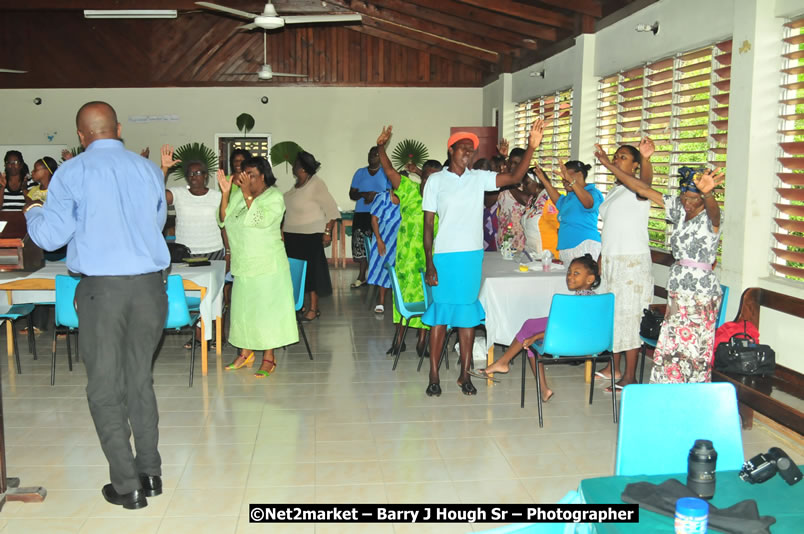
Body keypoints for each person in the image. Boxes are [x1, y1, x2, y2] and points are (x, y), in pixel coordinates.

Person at [24, 101, 169, 510]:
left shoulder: (72, 172)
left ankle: (127, 486)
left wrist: (34, 212)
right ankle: (150, 473)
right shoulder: (147, 170)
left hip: (102, 292)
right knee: (139, 380)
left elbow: (51, 237)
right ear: (118, 129)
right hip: (150, 289)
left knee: (105, 388)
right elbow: (156, 224)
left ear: (81, 135)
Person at [422, 119, 545, 397]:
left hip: (470, 256)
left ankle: (465, 375)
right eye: (463, 148)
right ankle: (434, 374)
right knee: (440, 317)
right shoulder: (436, 181)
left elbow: (514, 178)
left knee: (467, 318)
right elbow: (428, 225)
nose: (468, 153)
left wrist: (531, 147)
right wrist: (429, 263)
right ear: (451, 150)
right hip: (444, 257)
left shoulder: (478, 178)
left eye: (472, 150)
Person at [594, 144, 724, 383]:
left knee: (693, 347)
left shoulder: (711, 217)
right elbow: (641, 187)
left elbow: (715, 213)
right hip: (678, 288)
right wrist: (608, 165)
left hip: (700, 292)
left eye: (693, 199)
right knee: (672, 343)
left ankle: (692, 390)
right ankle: (668, 388)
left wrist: (708, 195)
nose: (687, 203)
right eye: (684, 197)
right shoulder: (679, 211)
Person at [473, 254, 601, 402]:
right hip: (590, 343)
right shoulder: (594, 298)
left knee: (530, 331)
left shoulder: (576, 303)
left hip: (571, 342)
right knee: (530, 337)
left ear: (590, 279)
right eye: (569, 272)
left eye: (576, 273)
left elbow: (565, 330)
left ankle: (504, 362)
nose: (569, 276)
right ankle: (543, 389)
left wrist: (537, 336)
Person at [217, 156, 298, 377]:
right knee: (242, 312)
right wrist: (226, 194)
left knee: (265, 314)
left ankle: (269, 358)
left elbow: (260, 220)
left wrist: (246, 194)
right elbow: (223, 219)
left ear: (263, 176)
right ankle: (245, 353)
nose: (246, 179)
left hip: (267, 267)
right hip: (243, 264)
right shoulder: (238, 196)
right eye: (244, 174)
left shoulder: (274, 197)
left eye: (251, 175)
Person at [594, 140, 656, 392]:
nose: (617, 160)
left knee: (630, 318)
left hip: (631, 263)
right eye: (615, 156)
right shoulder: (616, 190)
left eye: (623, 157)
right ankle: (614, 367)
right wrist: (602, 257)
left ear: (635, 165)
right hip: (612, 259)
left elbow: (647, 183)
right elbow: (610, 228)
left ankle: (630, 376)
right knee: (614, 316)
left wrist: (646, 159)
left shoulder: (637, 188)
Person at [376, 125, 442, 356]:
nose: (431, 182)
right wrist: (381, 147)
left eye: (436, 178)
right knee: (402, 298)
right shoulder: (408, 189)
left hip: (428, 260)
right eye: (428, 177)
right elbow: (388, 169)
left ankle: (422, 341)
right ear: (421, 177)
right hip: (406, 259)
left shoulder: (443, 201)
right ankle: (399, 339)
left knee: (427, 300)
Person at [283, 150, 339, 322]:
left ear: (303, 168)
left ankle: (314, 308)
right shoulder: (297, 185)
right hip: (292, 235)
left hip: (310, 235)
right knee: (296, 273)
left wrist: (327, 232)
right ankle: (301, 304)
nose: (293, 166)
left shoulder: (316, 184)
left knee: (311, 273)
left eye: (296, 163)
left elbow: (332, 210)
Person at [160, 145, 224, 261]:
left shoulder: (217, 196)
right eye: (190, 173)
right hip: (184, 252)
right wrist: (164, 169)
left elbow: (224, 225)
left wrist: (228, 251)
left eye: (197, 172)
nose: (193, 176)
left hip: (213, 251)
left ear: (205, 175)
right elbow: (157, 196)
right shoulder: (178, 193)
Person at [533, 161, 603, 264]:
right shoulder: (570, 197)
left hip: (585, 247)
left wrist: (571, 181)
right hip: (566, 249)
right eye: (563, 177)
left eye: (567, 175)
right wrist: (543, 180)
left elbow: (589, 203)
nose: (564, 180)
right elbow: (557, 200)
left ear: (580, 174)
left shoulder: (593, 192)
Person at [349, 146, 390, 288]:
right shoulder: (360, 173)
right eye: (370, 154)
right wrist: (363, 194)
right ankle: (361, 276)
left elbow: (391, 193)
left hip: (380, 215)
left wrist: (375, 195)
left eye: (375, 154)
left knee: (378, 244)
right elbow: (352, 194)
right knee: (360, 244)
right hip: (361, 213)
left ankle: (379, 277)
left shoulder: (386, 173)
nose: (372, 157)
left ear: (381, 157)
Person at [366, 187, 401, 314]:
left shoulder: (407, 198)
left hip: (400, 239)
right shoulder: (382, 198)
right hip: (383, 239)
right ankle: (381, 301)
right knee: (383, 269)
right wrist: (379, 240)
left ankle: (400, 301)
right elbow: (374, 220)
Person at [521, 167, 559, 257]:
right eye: (523, 184)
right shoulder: (532, 199)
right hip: (532, 253)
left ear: (537, 181)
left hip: (548, 254)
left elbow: (559, 227)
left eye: (527, 184)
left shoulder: (549, 199)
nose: (523, 187)